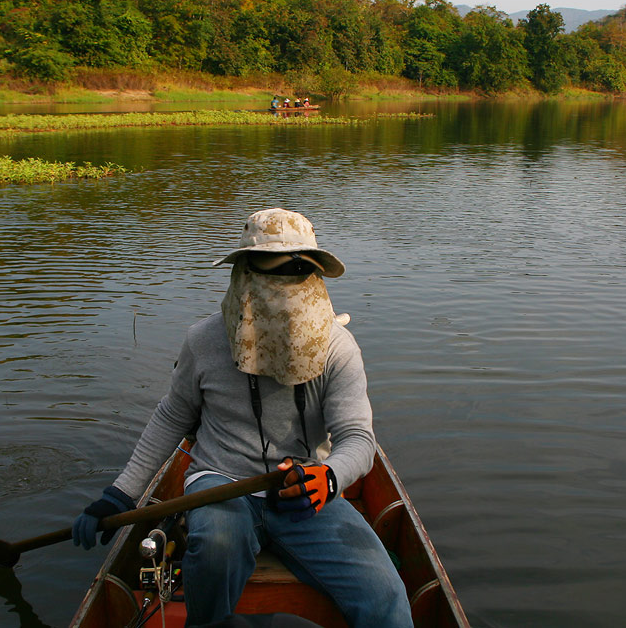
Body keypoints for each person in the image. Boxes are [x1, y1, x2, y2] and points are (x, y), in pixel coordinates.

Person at [72, 208, 413, 628]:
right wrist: (120, 495)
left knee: (385, 597)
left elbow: (358, 439)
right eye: (275, 273)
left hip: (306, 490)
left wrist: (326, 477)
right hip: (221, 481)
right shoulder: (204, 341)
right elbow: (171, 417)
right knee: (217, 544)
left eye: (298, 271)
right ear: (245, 275)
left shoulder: (337, 347)